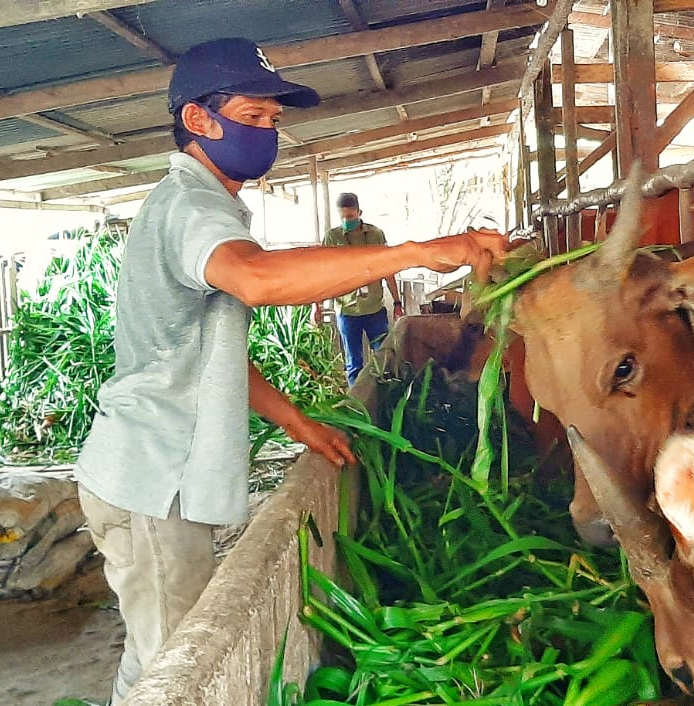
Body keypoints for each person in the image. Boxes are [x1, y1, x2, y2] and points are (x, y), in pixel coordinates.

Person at [72, 37, 508, 704]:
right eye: (253, 117)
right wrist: (415, 251)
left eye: (273, 121)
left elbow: (213, 356)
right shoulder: (189, 206)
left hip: (156, 476)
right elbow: (254, 280)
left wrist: (297, 421)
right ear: (198, 120)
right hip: (149, 482)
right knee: (166, 666)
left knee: (164, 650)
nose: (267, 134)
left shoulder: (208, 204)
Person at [323, 192, 401, 385]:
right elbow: (322, 273)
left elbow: (388, 270)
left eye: (350, 216)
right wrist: (317, 306)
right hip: (347, 311)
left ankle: (383, 399)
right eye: (342, 217)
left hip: (375, 309)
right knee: (353, 364)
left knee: (383, 360)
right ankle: (357, 408)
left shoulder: (376, 235)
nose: (345, 220)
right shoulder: (332, 237)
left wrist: (397, 302)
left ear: (359, 212)